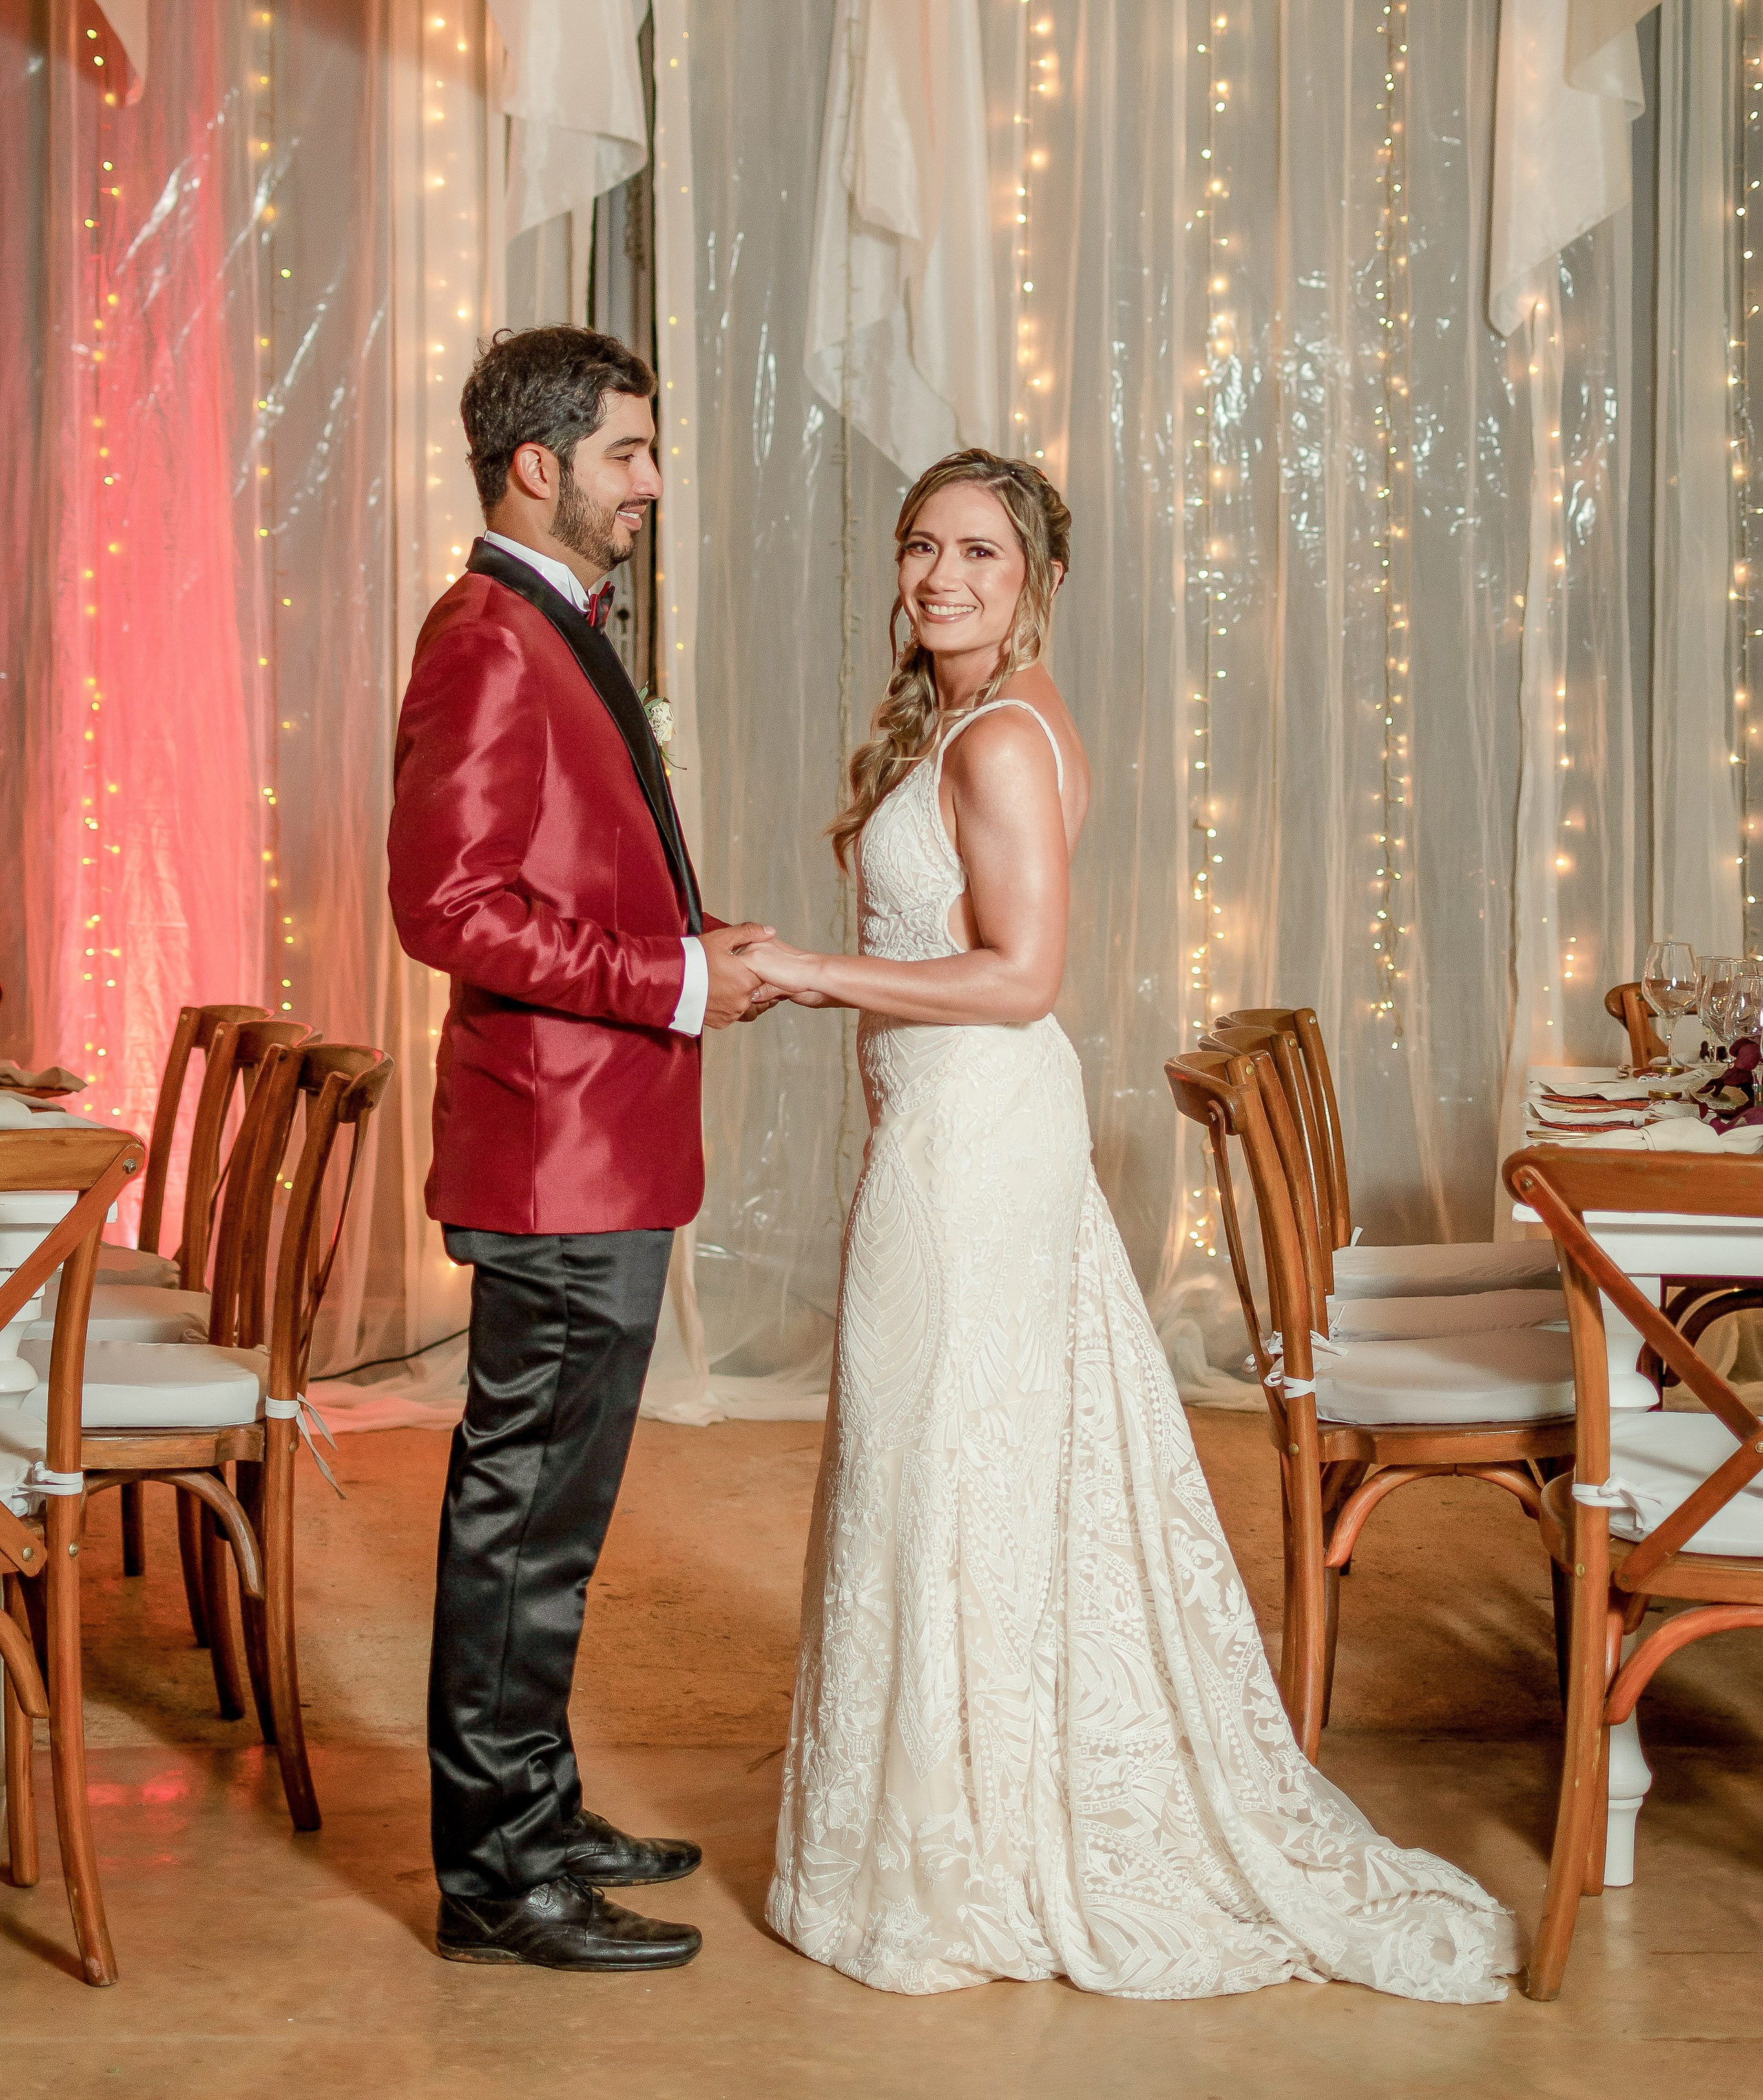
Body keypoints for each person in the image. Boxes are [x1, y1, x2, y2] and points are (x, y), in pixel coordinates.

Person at [744, 448, 1517, 2004]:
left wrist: (808, 971)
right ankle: (953, 1813)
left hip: (975, 1144)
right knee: (949, 1463)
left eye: (978, 551)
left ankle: (964, 1849)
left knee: (944, 1462)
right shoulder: (971, 718)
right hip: (950, 1125)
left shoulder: (1002, 738)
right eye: (920, 546)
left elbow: (1021, 974)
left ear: (1036, 577)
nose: (940, 575)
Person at [388, 326, 775, 1974]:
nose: (652, 482)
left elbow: (566, 871)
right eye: (628, 451)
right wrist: (671, 981)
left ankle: (533, 1813)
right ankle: (496, 1879)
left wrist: (693, 936)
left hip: (594, 1153)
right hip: (553, 1161)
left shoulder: (547, 622)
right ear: (536, 465)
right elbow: (447, 907)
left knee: (550, 1519)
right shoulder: (486, 636)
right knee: (523, 1520)